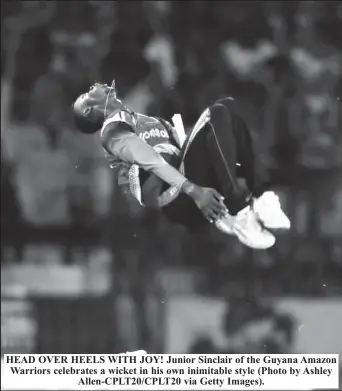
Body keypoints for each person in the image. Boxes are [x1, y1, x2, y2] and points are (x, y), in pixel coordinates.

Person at [72, 81, 290, 249]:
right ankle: (237, 210)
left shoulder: (141, 120)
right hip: (176, 196)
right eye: (87, 94)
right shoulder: (113, 131)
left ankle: (259, 198)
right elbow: (154, 164)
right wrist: (196, 192)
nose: (93, 87)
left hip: (187, 182)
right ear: (89, 110)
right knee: (218, 112)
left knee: (228, 114)